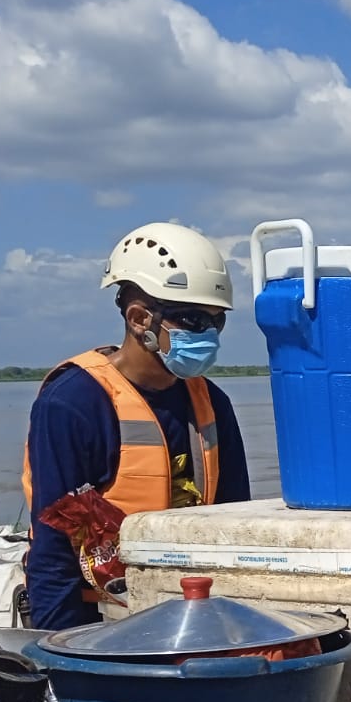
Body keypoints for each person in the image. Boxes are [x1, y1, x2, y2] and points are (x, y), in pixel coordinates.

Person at [22, 223, 250, 630]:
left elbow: (236, 522)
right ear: (140, 318)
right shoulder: (74, 403)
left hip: (192, 613)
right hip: (102, 619)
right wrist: (58, 654)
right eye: (193, 320)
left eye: (217, 322)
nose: (209, 335)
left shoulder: (213, 403)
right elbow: (55, 547)